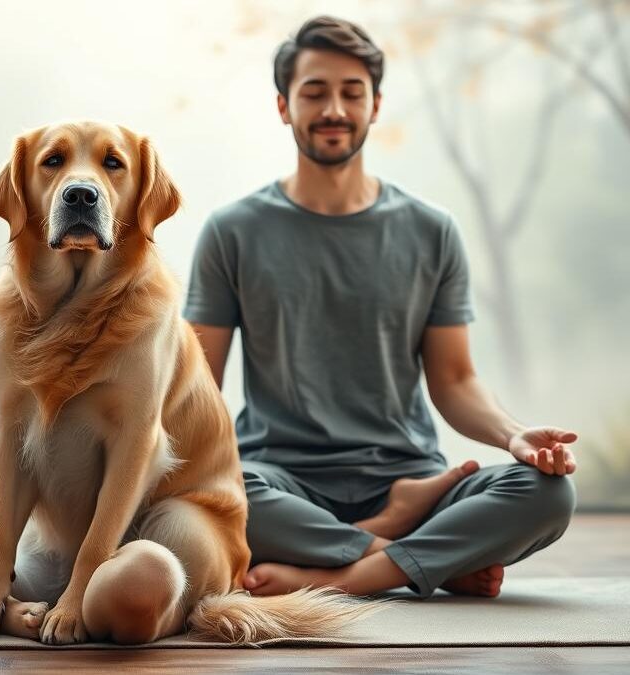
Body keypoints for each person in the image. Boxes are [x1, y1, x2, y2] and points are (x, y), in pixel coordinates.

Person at [183, 15, 577, 599]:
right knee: (214, 491)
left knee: (547, 493)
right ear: (284, 106)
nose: (334, 109)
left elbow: (455, 381)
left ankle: (339, 576)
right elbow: (196, 390)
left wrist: (516, 437)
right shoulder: (232, 231)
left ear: (376, 105)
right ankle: (415, 556)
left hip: (411, 474)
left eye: (352, 92)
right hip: (281, 481)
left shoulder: (431, 231)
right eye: (314, 92)